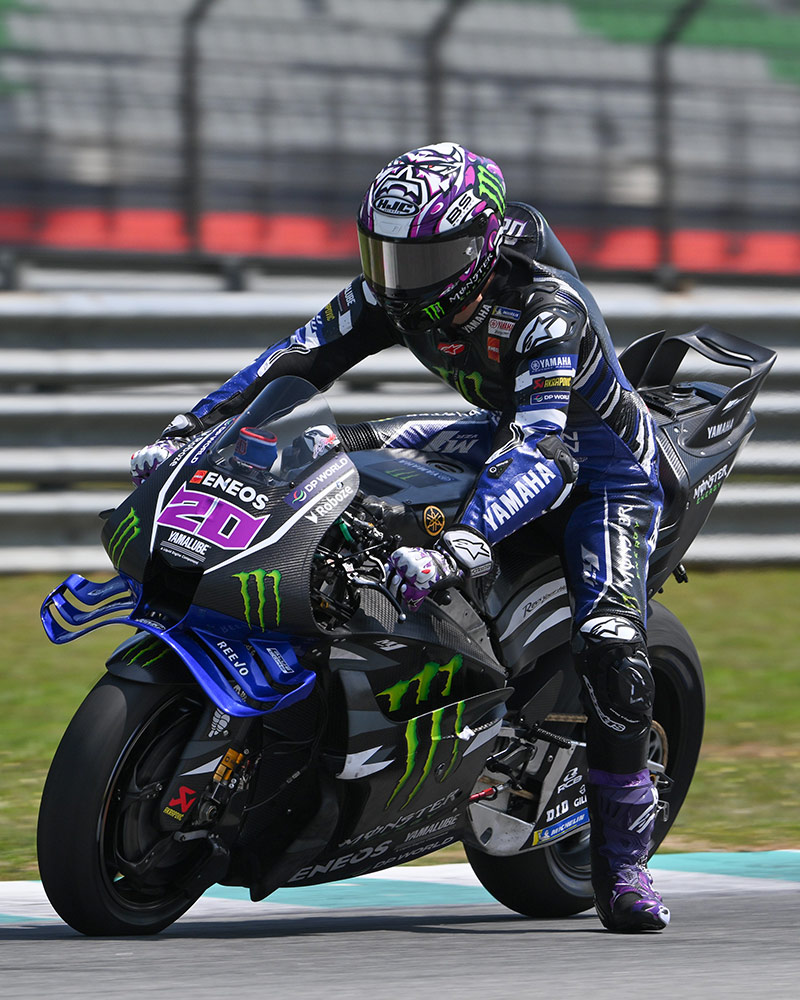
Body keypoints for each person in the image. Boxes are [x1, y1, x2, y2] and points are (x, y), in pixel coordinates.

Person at [131, 142, 668, 933]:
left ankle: (624, 867)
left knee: (612, 643)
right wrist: (192, 429)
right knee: (335, 454)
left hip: (601, 473)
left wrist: (465, 540)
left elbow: (545, 453)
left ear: (481, 246)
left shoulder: (547, 310)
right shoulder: (394, 292)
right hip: (500, 434)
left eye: (427, 259)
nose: (402, 278)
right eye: (386, 254)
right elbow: (297, 358)